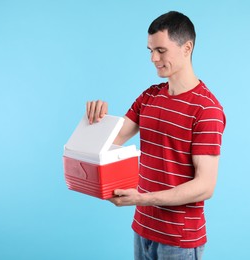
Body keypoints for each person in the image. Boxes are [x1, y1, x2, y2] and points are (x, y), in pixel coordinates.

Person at [86, 11, 225, 260]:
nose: (153, 58)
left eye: (161, 50)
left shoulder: (207, 109)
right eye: (150, 50)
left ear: (187, 47)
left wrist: (143, 198)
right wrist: (96, 120)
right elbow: (107, 143)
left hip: (179, 239)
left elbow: (205, 186)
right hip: (143, 229)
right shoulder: (150, 95)